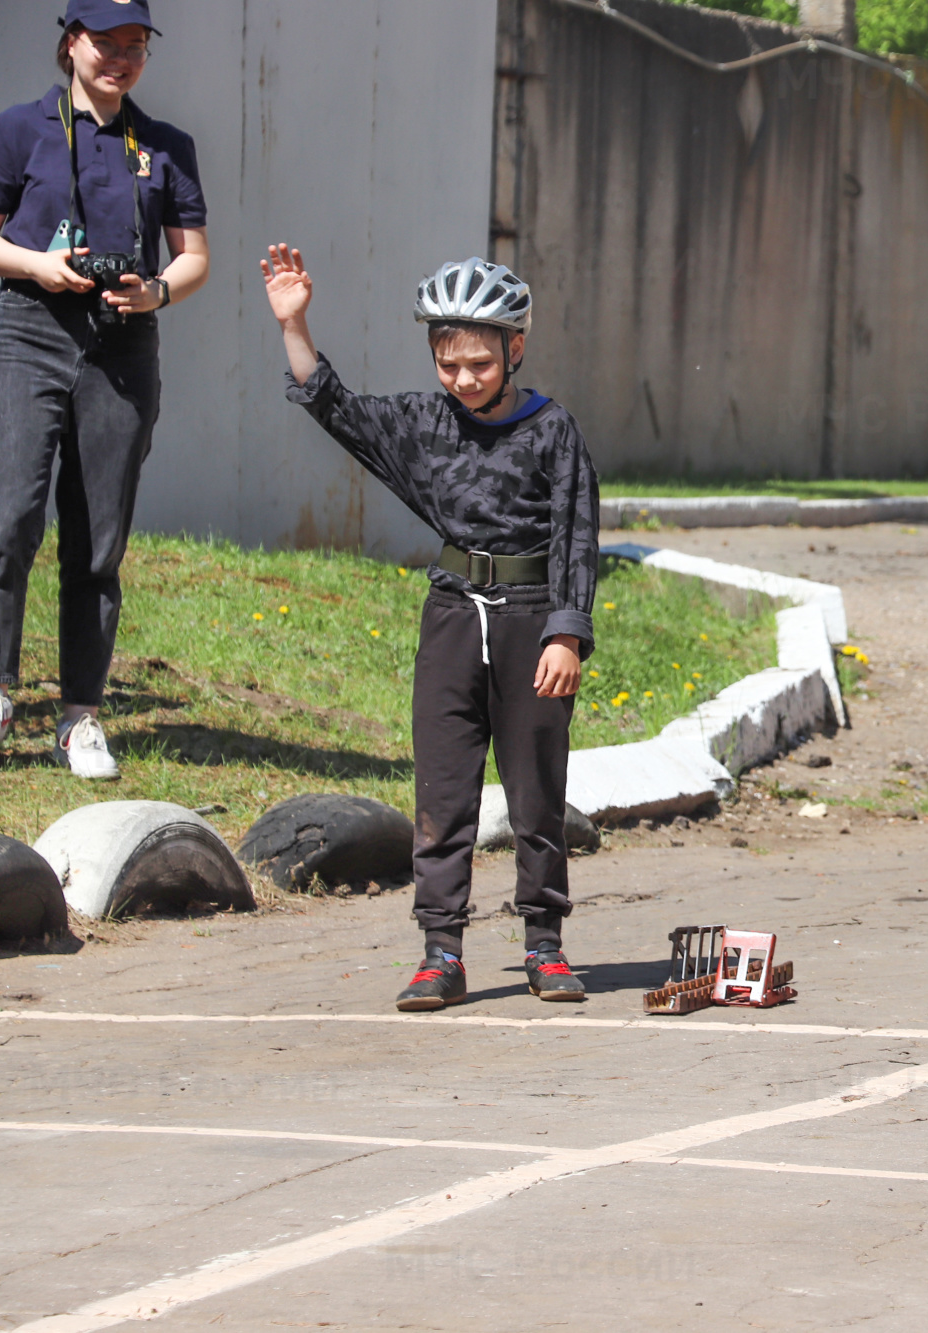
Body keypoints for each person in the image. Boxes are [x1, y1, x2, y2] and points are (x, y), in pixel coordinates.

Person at [261, 244, 599, 1011]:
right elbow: (334, 406)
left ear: (516, 348)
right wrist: (295, 322)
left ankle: (544, 944)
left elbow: (578, 534)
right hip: (451, 619)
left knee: (535, 794)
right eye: (449, 364)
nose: (464, 379)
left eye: (479, 362)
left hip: (530, 624)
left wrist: (566, 632)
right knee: (443, 794)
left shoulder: (553, 431)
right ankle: (440, 951)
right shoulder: (423, 422)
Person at [0, 0, 208, 779]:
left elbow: (192, 257)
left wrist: (156, 289)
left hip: (123, 345)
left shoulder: (164, 144)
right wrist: (35, 265)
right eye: (107, 42)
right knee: (9, 518)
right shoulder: (19, 128)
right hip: (28, 330)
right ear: (72, 42)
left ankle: (80, 714)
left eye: (136, 45)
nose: (122, 57)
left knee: (98, 537)